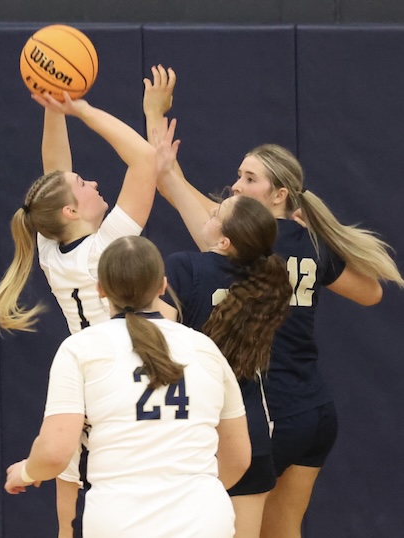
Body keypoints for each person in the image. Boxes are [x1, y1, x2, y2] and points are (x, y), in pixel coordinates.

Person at [143, 65, 404, 538]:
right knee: (284, 530)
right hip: (314, 411)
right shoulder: (309, 242)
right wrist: (319, 253)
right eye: (238, 176)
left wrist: (154, 115)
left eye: (249, 179)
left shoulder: (241, 239)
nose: (236, 187)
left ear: (279, 194)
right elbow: (372, 293)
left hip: (268, 413)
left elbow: (167, 179)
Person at [0, 90, 176, 537]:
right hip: (128, 379)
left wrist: (54, 109)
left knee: (71, 513)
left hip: (88, 382)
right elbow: (144, 160)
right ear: (70, 211)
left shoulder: (52, 250)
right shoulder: (104, 250)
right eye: (84, 184)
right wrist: (82, 110)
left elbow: (55, 173)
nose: (94, 183)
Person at [4, 235, 252, 538]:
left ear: (100, 289)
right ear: (162, 286)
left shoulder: (81, 349)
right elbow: (239, 457)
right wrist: (188, 495)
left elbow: (55, 451)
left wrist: (26, 472)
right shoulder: (204, 348)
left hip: (119, 521)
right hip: (204, 521)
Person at [152, 115, 293, 538]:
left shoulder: (184, 267)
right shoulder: (271, 280)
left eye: (217, 212)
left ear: (224, 240)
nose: (211, 210)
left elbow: (156, 336)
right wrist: (170, 173)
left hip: (195, 431)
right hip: (251, 432)